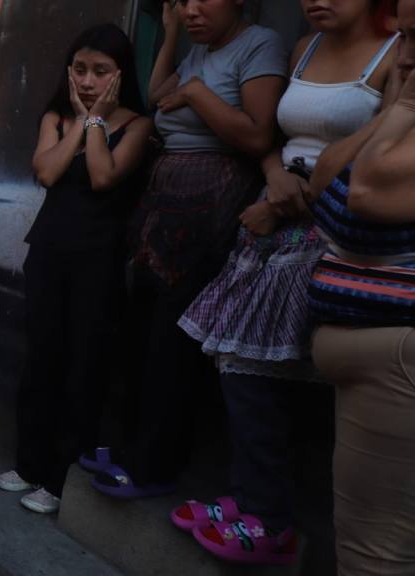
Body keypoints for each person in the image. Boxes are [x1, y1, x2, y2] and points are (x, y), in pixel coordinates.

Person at [172, 0, 395, 564]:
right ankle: (249, 498)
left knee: (266, 373)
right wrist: (274, 177)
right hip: (272, 217)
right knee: (234, 362)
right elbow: (273, 138)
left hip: (331, 230)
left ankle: (271, 518)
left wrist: (292, 198)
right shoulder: (304, 47)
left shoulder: (396, 58)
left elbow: (382, 155)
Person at [91, 0, 288, 499]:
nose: (192, 9)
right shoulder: (200, 48)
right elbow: (159, 95)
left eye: (204, 0)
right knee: (138, 332)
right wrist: (173, 34)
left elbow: (257, 133)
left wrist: (197, 94)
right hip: (165, 206)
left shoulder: (258, 45)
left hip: (211, 207)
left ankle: (153, 468)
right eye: (182, 2)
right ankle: (130, 449)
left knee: (173, 342)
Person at [0, 23, 152, 514]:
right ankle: (28, 464)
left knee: (83, 367)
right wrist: (81, 123)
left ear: (120, 74)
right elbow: (46, 172)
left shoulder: (138, 126)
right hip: (49, 253)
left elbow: (103, 176)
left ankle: (60, 481)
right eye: (80, 69)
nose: (86, 81)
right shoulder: (57, 117)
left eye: (100, 71)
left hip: (98, 261)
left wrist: (99, 122)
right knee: (41, 358)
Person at [305, 0, 415, 570]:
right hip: (375, 355)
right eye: (402, 38)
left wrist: (403, 104)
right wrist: (392, 110)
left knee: (376, 561)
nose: (404, 56)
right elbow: (323, 183)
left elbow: (361, 194)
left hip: (399, 360)